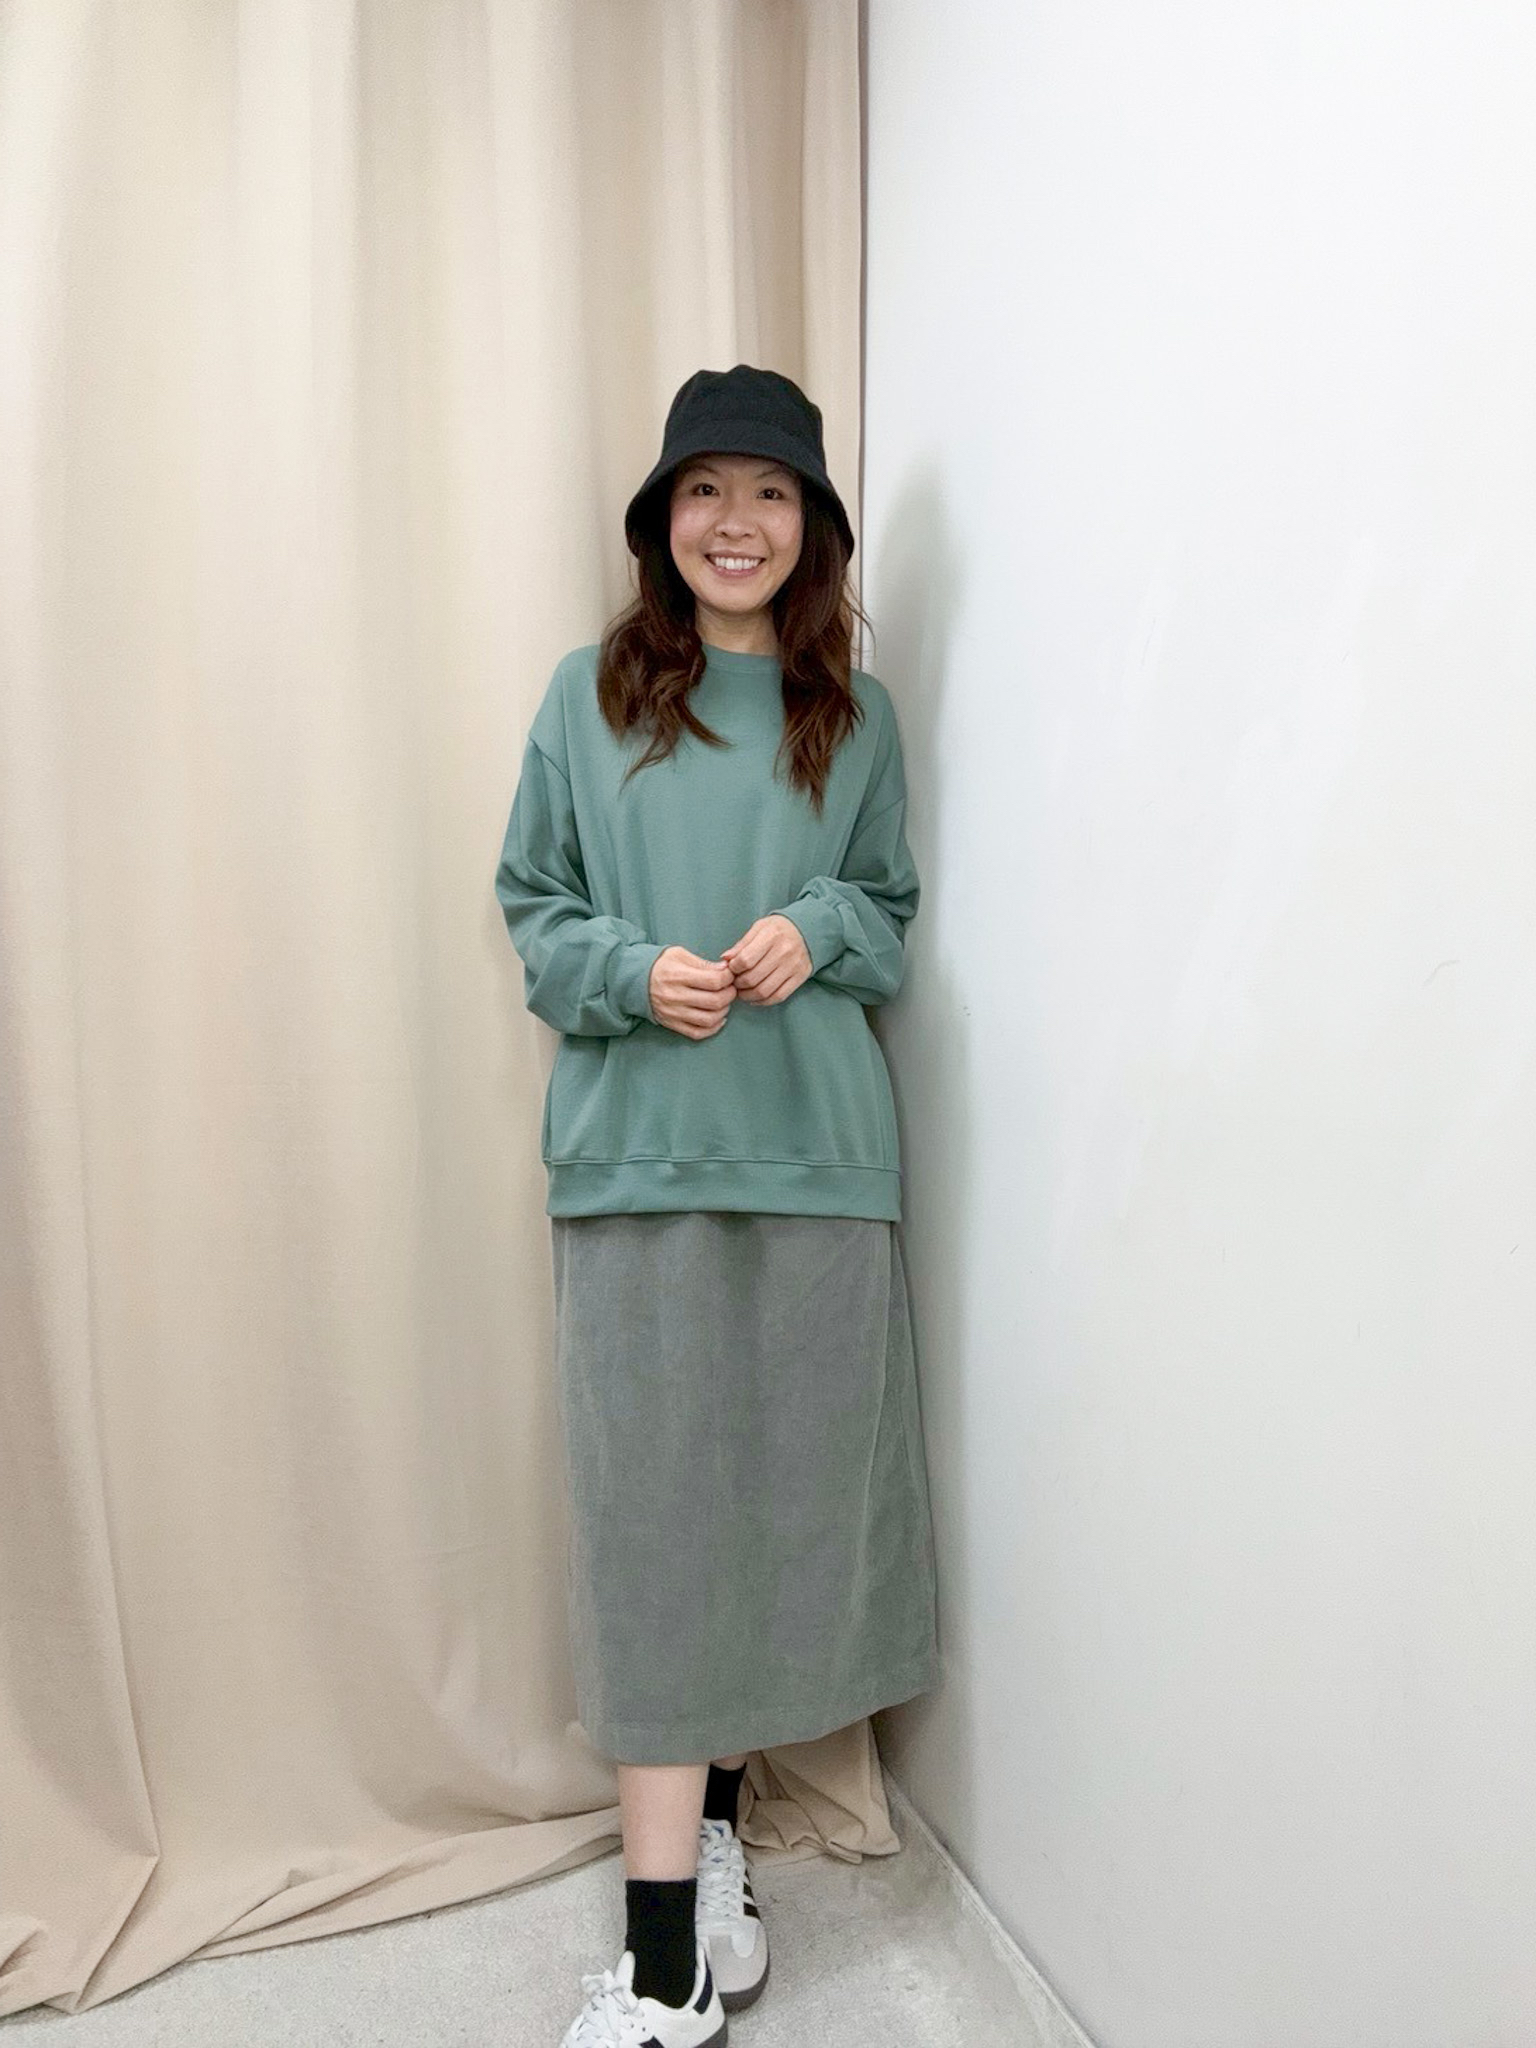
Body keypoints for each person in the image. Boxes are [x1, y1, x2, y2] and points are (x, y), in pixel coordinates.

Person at [494, 363, 940, 2047]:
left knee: (775, 1522)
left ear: (811, 527)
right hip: (637, 1161)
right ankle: (666, 1960)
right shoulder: (587, 697)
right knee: (656, 1540)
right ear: (661, 522)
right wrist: (630, 971)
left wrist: (817, 926)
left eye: (768, 492)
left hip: (821, 1163)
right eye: (705, 489)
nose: (735, 521)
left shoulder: (857, 716)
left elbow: (889, 910)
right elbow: (535, 908)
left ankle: (718, 1863)